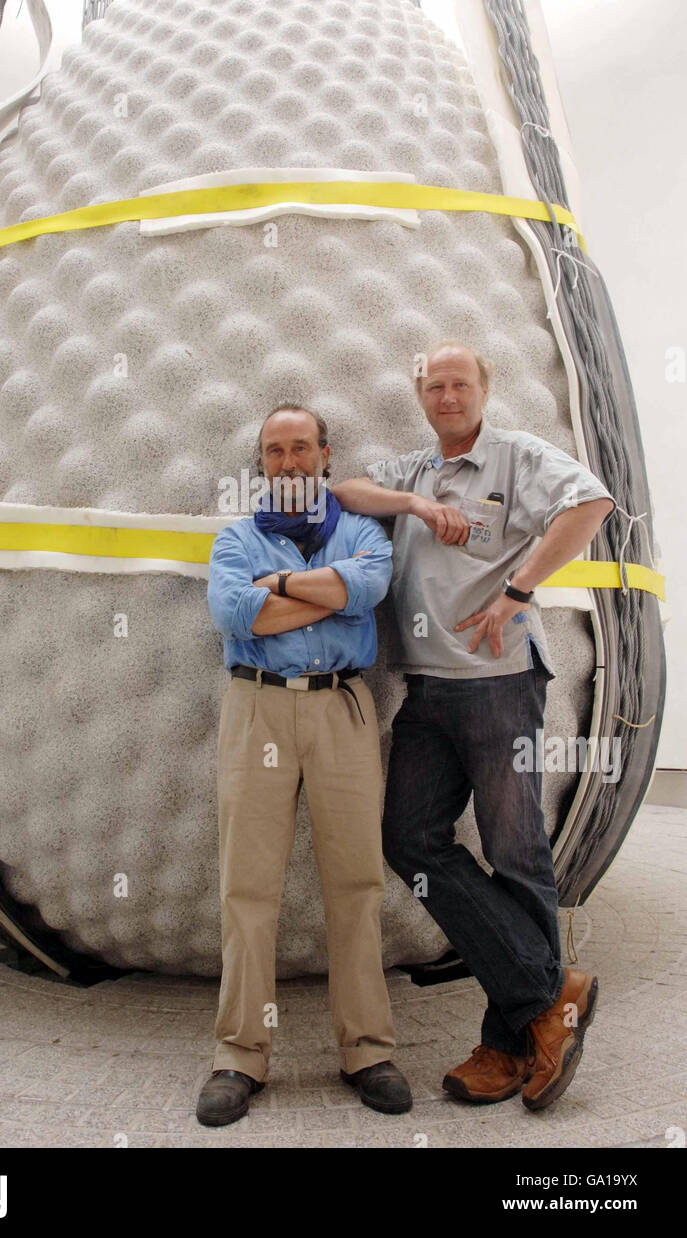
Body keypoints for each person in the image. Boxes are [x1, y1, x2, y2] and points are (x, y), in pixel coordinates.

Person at [332, 344, 616, 1111]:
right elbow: (343, 487)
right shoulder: (412, 472)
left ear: (483, 391)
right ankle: (549, 994)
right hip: (426, 690)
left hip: (498, 688)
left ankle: (507, 1042)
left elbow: (590, 505)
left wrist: (518, 590)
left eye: (460, 383)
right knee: (410, 840)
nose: (447, 394)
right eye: (434, 385)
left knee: (515, 853)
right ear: (420, 396)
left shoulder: (518, 457)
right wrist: (417, 506)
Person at [196, 403, 413, 1127]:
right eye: (273, 451)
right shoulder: (234, 537)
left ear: (325, 455)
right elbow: (235, 614)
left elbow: (369, 591)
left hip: (340, 712)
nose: (287, 462)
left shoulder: (360, 533)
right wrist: (326, 593)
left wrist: (278, 591)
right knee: (247, 887)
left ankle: (366, 1049)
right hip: (255, 709)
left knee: (355, 880)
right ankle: (240, 1055)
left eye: (299, 448)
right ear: (262, 464)